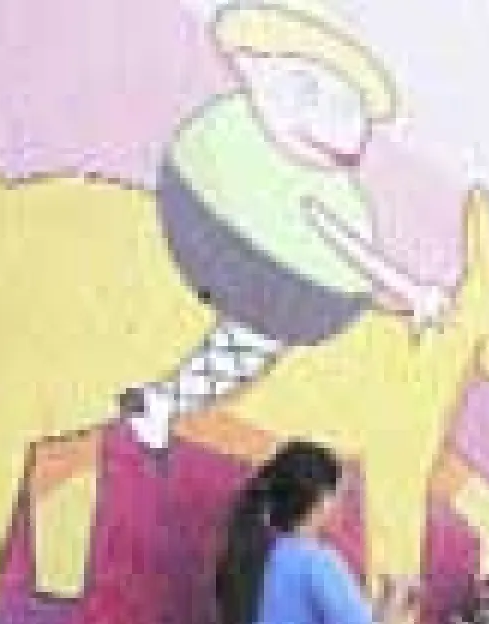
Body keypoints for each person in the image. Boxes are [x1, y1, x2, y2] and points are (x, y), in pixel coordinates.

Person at [122, 0, 448, 451]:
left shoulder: (281, 155)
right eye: (311, 91)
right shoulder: (258, 146)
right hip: (249, 253)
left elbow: (342, 240)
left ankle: (163, 400)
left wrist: (411, 293)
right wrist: (413, 292)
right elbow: (347, 244)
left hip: (247, 253)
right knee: (253, 341)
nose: (338, 119)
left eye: (347, 105)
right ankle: (163, 401)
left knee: (253, 337)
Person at [215, 440, 419, 624]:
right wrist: (400, 597)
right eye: (340, 496)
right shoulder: (317, 561)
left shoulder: (257, 555)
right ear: (322, 500)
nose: (340, 508)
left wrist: (387, 603)